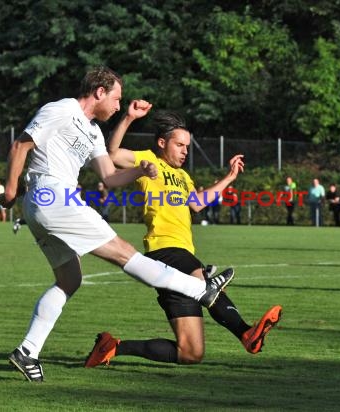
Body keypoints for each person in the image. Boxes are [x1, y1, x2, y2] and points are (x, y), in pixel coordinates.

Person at [1, 66, 234, 382]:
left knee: (69, 280)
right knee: (126, 253)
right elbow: (21, 145)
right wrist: (11, 189)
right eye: (116, 98)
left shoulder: (94, 131)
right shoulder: (62, 109)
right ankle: (201, 289)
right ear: (99, 92)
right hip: (51, 194)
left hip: (45, 206)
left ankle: (27, 351)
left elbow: (109, 177)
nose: (117, 105)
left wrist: (140, 171)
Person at [83, 106, 281, 368]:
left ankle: (112, 347)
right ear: (162, 143)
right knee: (201, 280)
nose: (185, 151)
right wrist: (129, 118)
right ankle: (246, 333)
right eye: (180, 145)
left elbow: (197, 204)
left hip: (181, 254)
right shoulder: (147, 160)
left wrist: (229, 178)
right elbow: (112, 154)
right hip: (165, 249)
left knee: (190, 353)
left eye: (187, 146)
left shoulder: (183, 176)